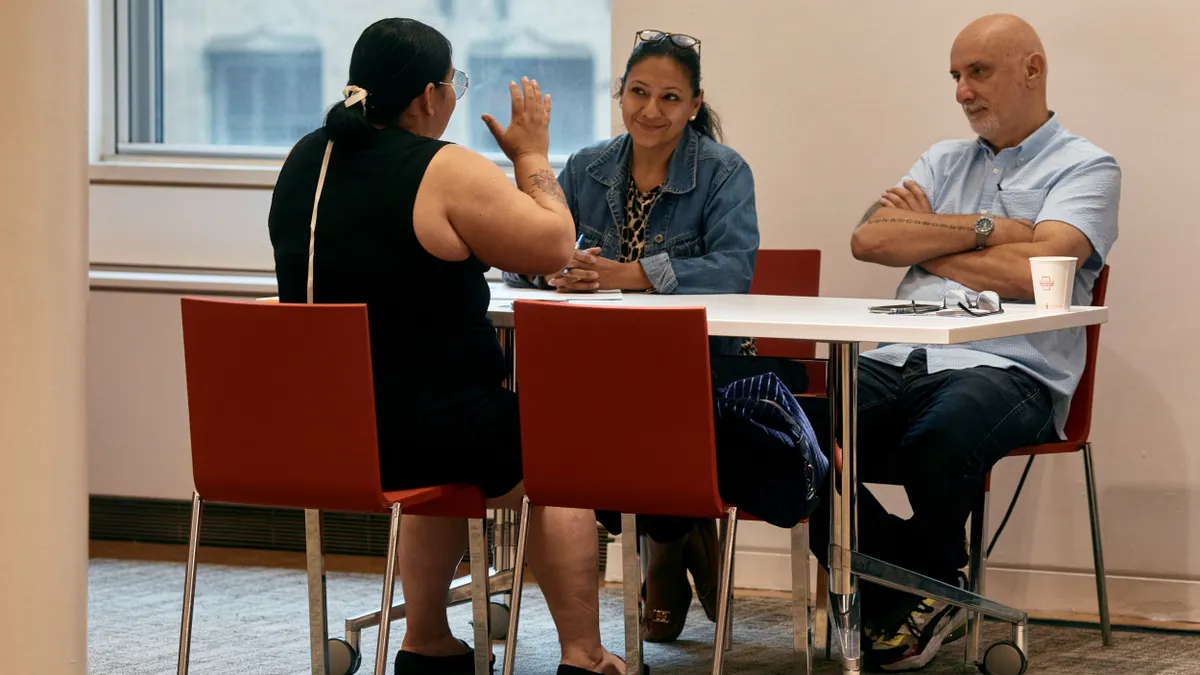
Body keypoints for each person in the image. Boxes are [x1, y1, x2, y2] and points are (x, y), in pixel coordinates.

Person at [267, 18, 630, 675]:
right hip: (427, 425)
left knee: (448, 439)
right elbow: (553, 246)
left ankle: (428, 643)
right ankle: (584, 654)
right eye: (455, 84)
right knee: (562, 450)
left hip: (327, 428)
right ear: (427, 97)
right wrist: (531, 158)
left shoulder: (303, 159)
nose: (457, 97)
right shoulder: (441, 169)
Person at [800, 14, 1121, 672]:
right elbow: (870, 238)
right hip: (898, 353)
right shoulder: (942, 160)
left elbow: (1043, 272)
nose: (961, 91)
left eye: (977, 72)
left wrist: (932, 242)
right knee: (790, 433)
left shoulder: (1088, 166)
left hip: (1012, 368)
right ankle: (923, 588)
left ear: (1032, 70)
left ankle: (898, 593)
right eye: (955, 75)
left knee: (936, 441)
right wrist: (990, 228)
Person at [501, 29, 790, 644]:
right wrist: (553, 269)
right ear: (620, 93)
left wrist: (624, 275)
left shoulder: (722, 171)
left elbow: (734, 271)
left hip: (703, 366)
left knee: (650, 420)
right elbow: (520, 250)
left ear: (693, 103)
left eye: (669, 97)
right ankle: (677, 534)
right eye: (638, 92)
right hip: (600, 363)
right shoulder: (586, 167)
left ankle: (664, 544)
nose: (650, 111)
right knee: (568, 428)